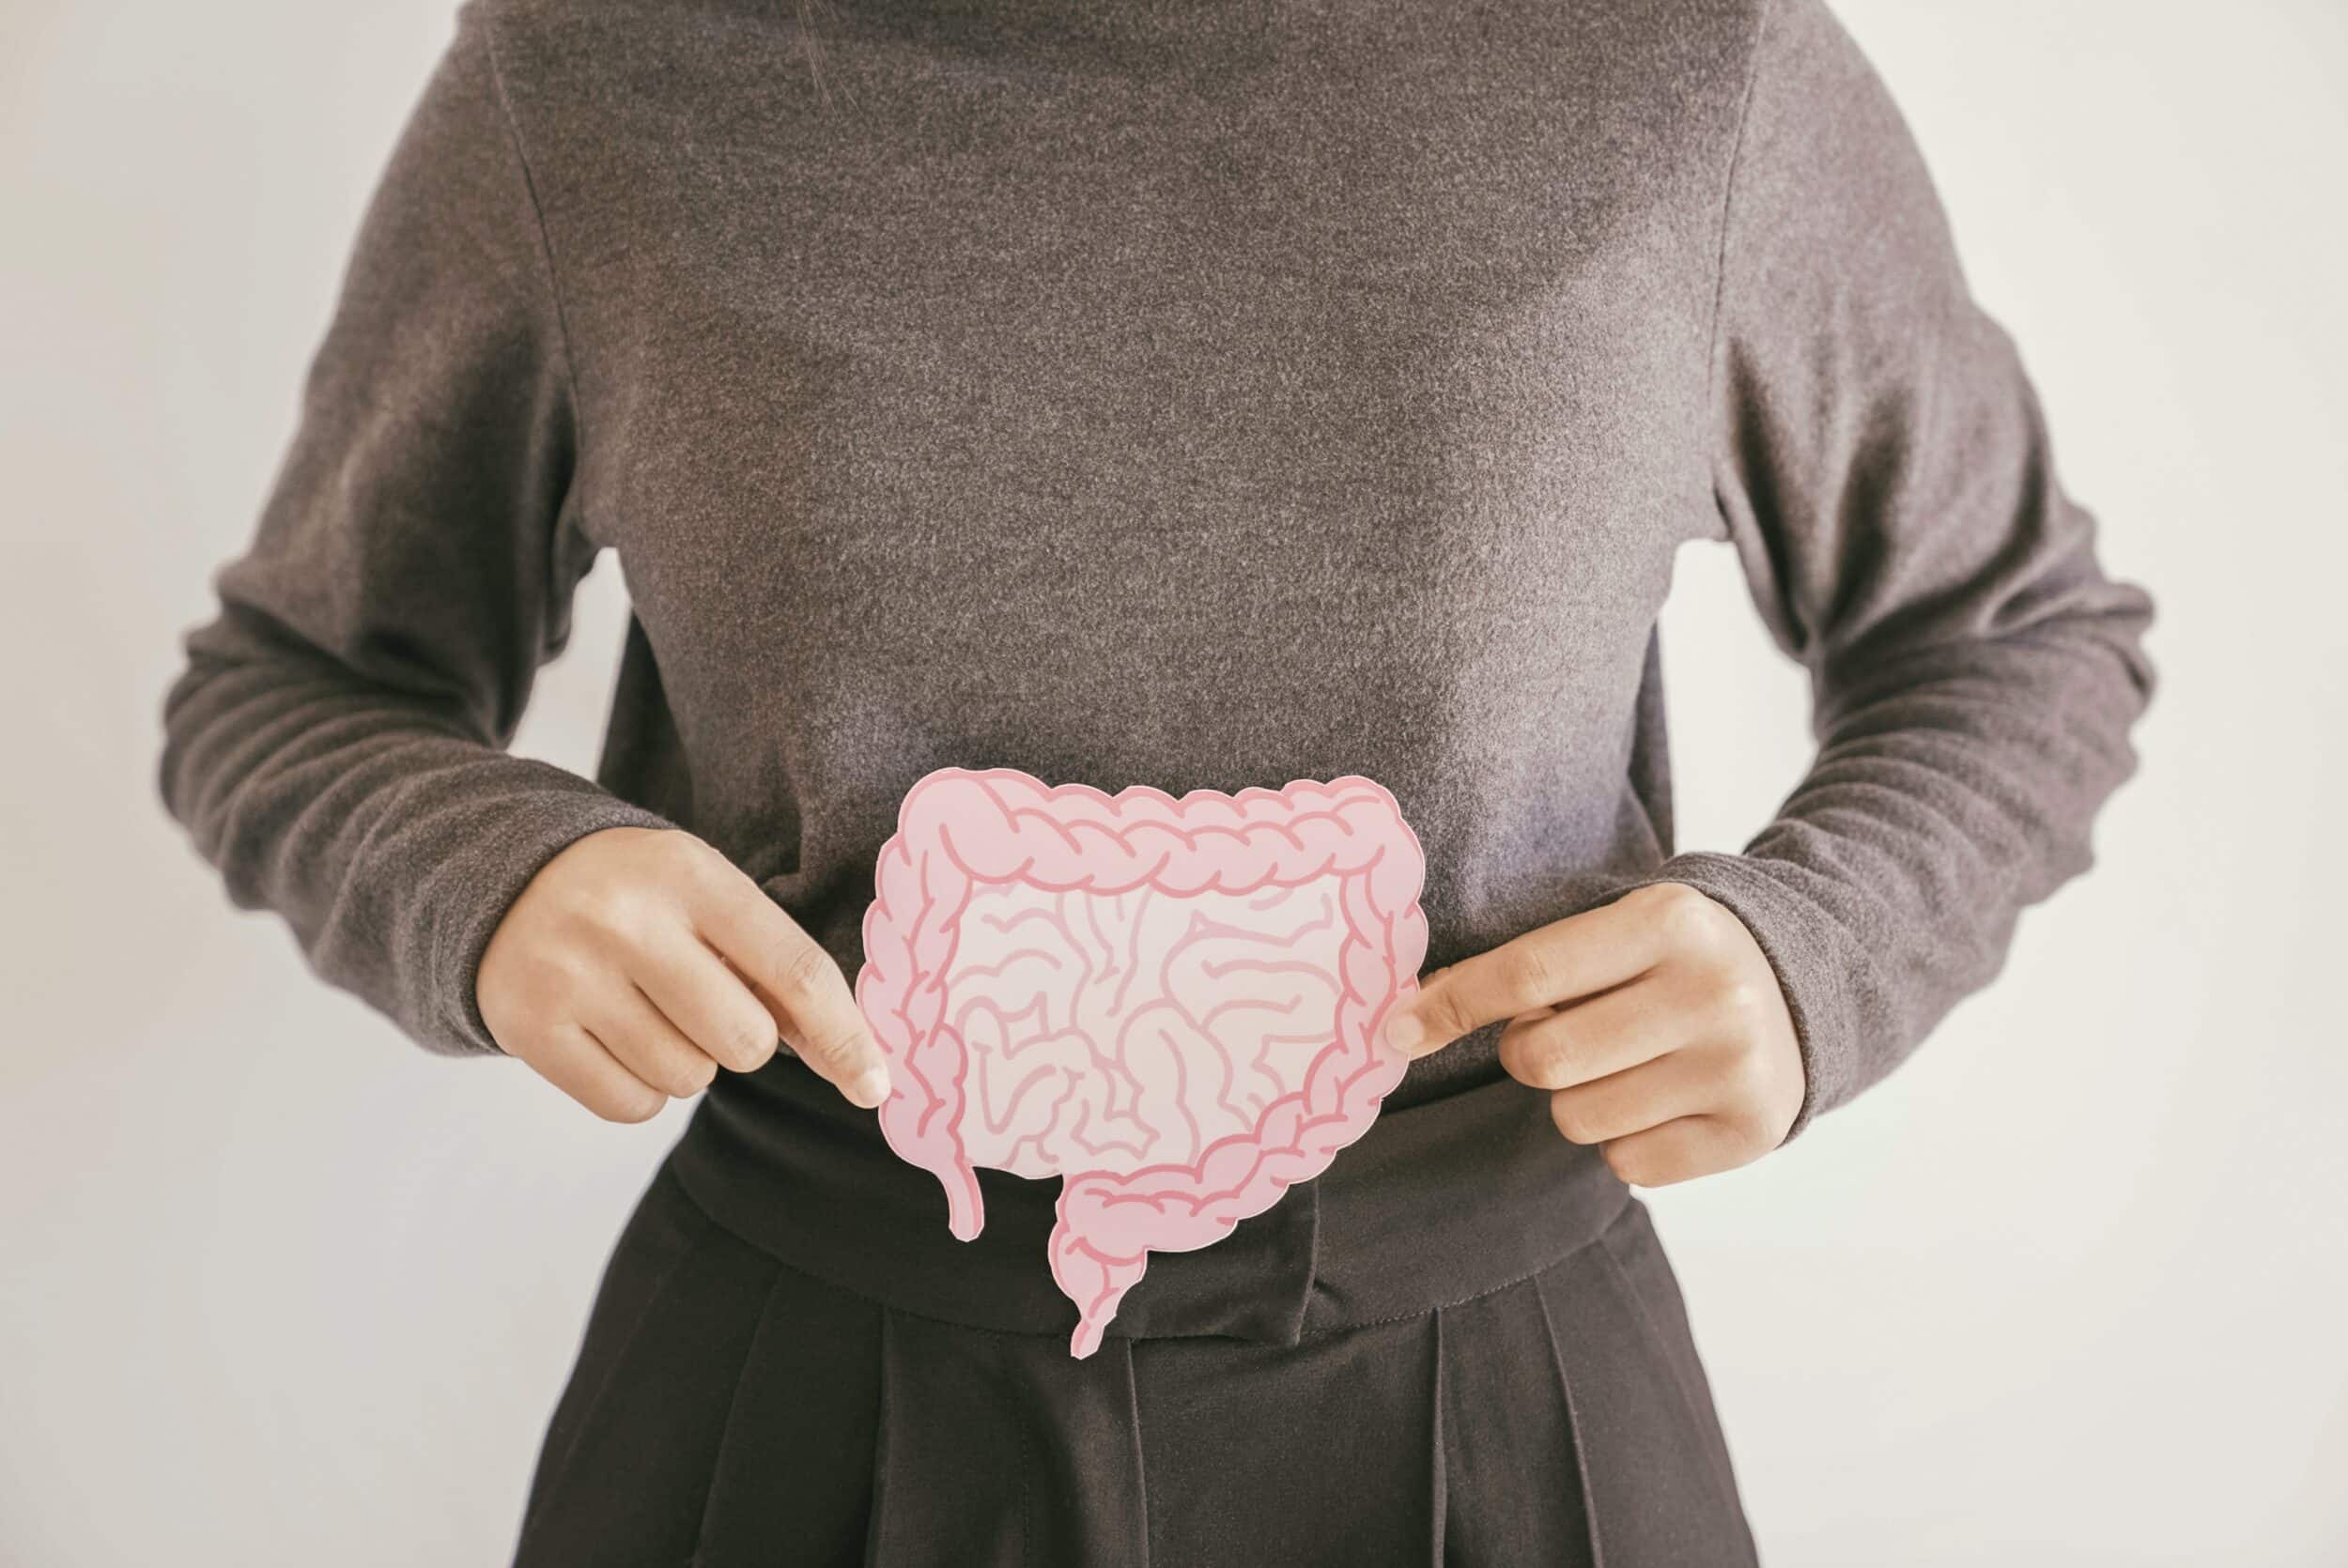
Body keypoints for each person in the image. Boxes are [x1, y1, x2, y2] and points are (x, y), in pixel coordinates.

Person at [155, 0, 2155, 1561]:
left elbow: (2009, 636)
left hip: (1501, 1384)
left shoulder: (1682, 66)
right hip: (807, 1387)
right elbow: (295, 683)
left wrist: (1825, 946)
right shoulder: (591, 77)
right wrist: (478, 874)